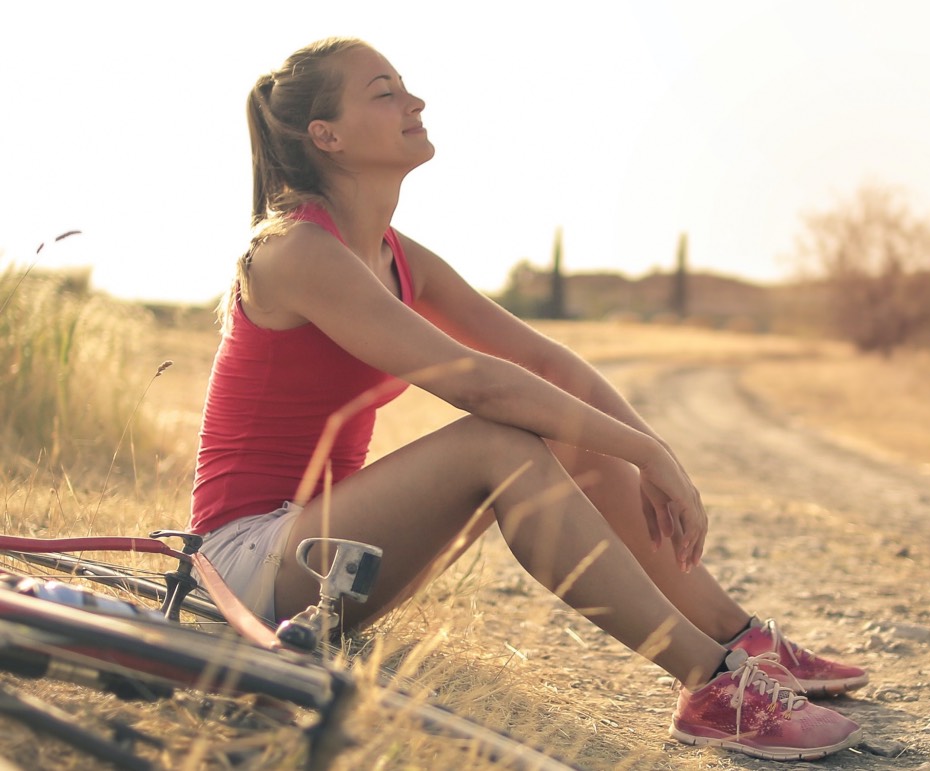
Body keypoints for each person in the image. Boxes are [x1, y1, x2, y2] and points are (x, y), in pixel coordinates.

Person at [188, 36, 869, 762]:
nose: (414, 102)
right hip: (244, 566)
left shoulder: (395, 255)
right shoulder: (293, 250)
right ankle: (709, 683)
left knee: (575, 431)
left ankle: (741, 641)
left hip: (331, 560)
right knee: (499, 439)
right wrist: (643, 450)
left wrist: (649, 452)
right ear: (327, 136)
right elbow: (475, 379)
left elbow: (542, 359)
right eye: (384, 92)